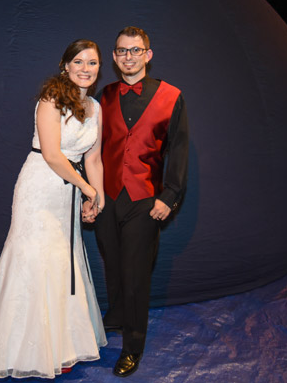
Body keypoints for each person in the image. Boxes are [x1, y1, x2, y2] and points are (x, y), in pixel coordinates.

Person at [0, 39, 107, 379]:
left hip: (70, 191)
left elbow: (94, 158)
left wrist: (95, 196)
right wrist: (85, 187)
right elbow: (54, 155)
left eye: (93, 63)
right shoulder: (51, 98)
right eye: (79, 61)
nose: (86, 68)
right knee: (32, 262)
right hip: (40, 186)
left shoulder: (97, 108)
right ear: (65, 65)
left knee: (62, 263)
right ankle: (18, 348)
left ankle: (62, 345)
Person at [83, 26, 188, 377]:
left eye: (135, 50)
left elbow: (180, 150)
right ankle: (115, 315)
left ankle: (133, 346)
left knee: (136, 273)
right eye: (122, 51)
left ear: (148, 54)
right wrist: (91, 194)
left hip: (145, 201)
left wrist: (170, 197)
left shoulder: (172, 96)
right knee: (112, 262)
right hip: (108, 198)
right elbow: (91, 150)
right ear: (114, 57)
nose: (129, 56)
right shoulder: (102, 96)